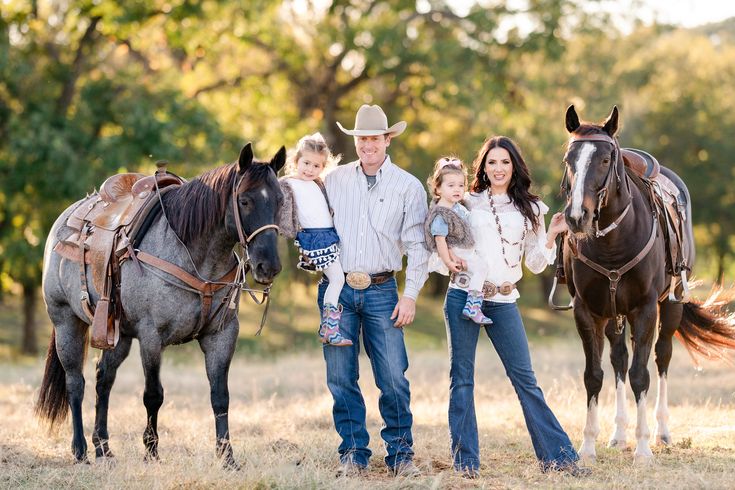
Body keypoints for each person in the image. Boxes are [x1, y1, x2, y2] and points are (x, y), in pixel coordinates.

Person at [443, 135, 588, 478]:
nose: (498, 168)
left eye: (505, 162)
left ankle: (560, 459)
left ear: (514, 166)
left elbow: (536, 264)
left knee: (525, 380)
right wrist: (448, 257)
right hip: (464, 294)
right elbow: (441, 232)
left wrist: (551, 237)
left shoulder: (532, 208)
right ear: (483, 166)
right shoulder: (467, 202)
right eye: (491, 162)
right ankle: (466, 465)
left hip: (504, 299)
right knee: (461, 379)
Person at [319, 104, 430, 477]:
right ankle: (353, 453)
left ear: (387, 140)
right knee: (340, 378)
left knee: (394, 376)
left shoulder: (408, 186)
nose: (368, 144)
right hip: (338, 291)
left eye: (374, 138)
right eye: (361, 138)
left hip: (383, 290)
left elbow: (417, 246)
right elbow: (311, 223)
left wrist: (411, 294)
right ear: (356, 140)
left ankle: (401, 455)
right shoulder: (332, 181)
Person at [277, 133, 352, 346]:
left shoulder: (319, 183)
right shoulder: (288, 184)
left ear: (323, 167)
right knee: (338, 279)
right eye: (306, 163)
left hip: (330, 234)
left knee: (337, 278)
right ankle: (329, 329)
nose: (310, 169)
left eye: (316, 166)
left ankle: (328, 327)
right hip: (315, 237)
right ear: (296, 161)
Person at [424, 157, 492, 325]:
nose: (457, 189)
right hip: (458, 251)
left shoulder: (457, 207)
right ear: (438, 188)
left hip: (465, 249)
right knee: (482, 268)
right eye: (451, 185)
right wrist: (448, 260)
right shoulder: (441, 214)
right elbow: (439, 240)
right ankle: (472, 306)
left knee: (480, 269)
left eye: (461, 185)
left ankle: (473, 305)